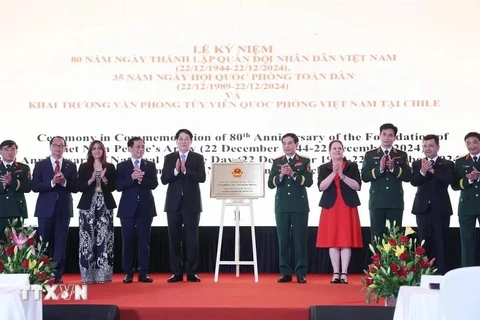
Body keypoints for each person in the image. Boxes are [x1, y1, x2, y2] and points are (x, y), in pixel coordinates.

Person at [161, 129, 206, 283]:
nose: (184, 141)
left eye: (187, 139)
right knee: (174, 239)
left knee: (192, 239)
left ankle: (192, 272)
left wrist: (186, 171)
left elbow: (202, 178)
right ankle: (176, 273)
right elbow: (164, 179)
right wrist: (175, 171)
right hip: (173, 205)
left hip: (191, 205)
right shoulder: (169, 158)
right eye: (181, 139)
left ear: (191, 141)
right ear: (176, 141)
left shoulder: (197, 158)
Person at [267, 133, 313, 284]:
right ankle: (285, 272)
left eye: (290, 143)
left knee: (300, 240)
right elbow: (270, 184)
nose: (287, 146)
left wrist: (292, 174)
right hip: (282, 206)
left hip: (299, 206)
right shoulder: (276, 162)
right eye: (284, 143)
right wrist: (280, 175)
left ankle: (301, 272)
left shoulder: (304, 161)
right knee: (283, 240)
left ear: (296, 144)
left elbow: (308, 181)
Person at [31, 136, 78, 283]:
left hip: (63, 209)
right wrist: (51, 183)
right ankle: (43, 274)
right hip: (45, 209)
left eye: (61, 145)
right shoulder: (40, 165)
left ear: (65, 147)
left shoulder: (70, 165)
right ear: (50, 147)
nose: (58, 148)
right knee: (44, 242)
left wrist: (64, 182)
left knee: (60, 242)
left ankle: (57, 275)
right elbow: (35, 186)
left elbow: (75, 187)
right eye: (55, 145)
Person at [316, 140, 362, 284]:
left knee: (346, 240)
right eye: (334, 148)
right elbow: (321, 187)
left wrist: (342, 175)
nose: (337, 150)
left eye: (339, 148)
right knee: (333, 240)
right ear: (329, 151)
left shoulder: (352, 166)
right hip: (331, 206)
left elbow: (357, 186)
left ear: (343, 150)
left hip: (347, 206)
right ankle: (336, 273)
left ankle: (344, 273)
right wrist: (333, 173)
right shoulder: (324, 168)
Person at [116, 137, 158, 283]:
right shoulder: (122, 166)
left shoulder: (150, 165)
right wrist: (132, 178)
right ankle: (128, 272)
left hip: (146, 208)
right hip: (127, 209)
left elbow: (154, 184)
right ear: (129, 148)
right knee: (127, 241)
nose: (140, 149)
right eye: (137, 147)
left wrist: (141, 180)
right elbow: (118, 186)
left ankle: (143, 272)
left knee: (144, 241)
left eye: (142, 147)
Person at [410, 134, 454, 275]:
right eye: (425, 146)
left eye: (430, 145)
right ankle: (423, 273)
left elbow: (448, 180)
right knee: (423, 242)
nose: (427, 148)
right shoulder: (417, 164)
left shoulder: (447, 164)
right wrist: (423, 171)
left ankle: (440, 274)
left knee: (440, 243)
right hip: (422, 209)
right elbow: (414, 181)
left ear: (437, 147)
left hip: (441, 209)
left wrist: (432, 170)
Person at [361, 123, 411, 241]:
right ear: (379, 135)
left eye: (390, 135)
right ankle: (376, 260)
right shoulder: (370, 154)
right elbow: (364, 176)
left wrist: (394, 169)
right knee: (377, 237)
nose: (387, 138)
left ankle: (393, 261)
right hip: (377, 202)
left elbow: (408, 176)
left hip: (395, 202)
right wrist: (380, 170)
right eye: (384, 134)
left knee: (394, 237)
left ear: (395, 138)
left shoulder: (401, 155)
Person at [77, 140, 117, 284]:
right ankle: (87, 276)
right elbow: (79, 186)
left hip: (105, 205)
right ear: (90, 151)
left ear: (103, 151)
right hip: (88, 206)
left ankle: (103, 275)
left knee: (105, 239)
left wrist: (104, 178)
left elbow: (113, 187)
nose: (97, 151)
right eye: (94, 148)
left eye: (99, 148)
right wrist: (92, 179)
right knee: (87, 240)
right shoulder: (84, 166)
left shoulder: (110, 167)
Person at [451, 131, 480, 267]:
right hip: (466, 207)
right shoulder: (460, 161)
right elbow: (455, 185)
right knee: (467, 243)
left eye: (474, 142)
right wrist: (469, 180)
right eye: (468, 143)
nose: (471, 145)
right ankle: (466, 274)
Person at [0, 140, 32, 237]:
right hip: (1, 209)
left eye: (13, 149)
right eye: (6, 149)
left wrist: (12, 182)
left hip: (17, 210)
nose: (10, 152)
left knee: (15, 244)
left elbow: (28, 187)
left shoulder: (24, 168)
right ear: (0, 151)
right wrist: (3, 185)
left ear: (16, 151)